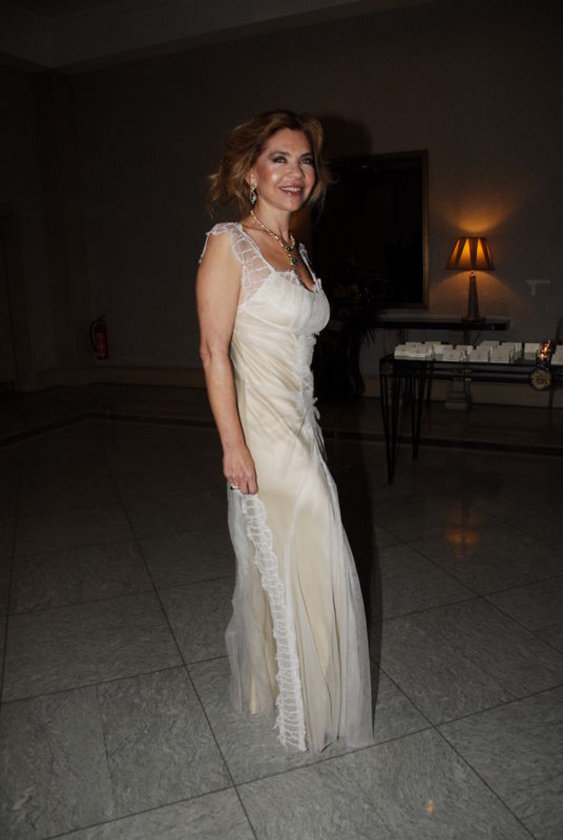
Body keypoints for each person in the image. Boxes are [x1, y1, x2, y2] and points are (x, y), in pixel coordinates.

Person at [196, 110, 373, 752]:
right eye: (279, 158)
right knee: (315, 541)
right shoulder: (229, 243)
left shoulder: (296, 249)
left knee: (297, 553)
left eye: (304, 160)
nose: (295, 172)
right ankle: (310, 708)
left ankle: (286, 688)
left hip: (303, 424)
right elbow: (213, 350)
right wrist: (233, 446)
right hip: (263, 434)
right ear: (250, 172)